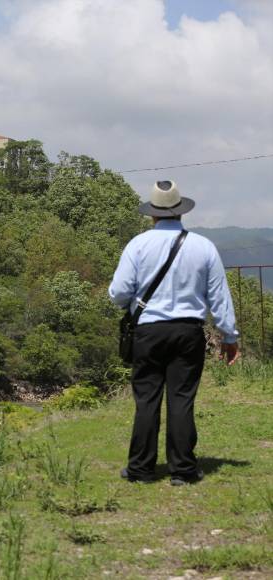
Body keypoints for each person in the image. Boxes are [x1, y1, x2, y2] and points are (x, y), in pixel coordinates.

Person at [108, 180, 240, 486]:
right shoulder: (203, 247)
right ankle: (182, 470)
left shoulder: (138, 245)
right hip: (188, 331)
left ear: (152, 214)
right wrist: (229, 337)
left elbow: (118, 292)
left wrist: (133, 303)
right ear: (181, 212)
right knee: (182, 399)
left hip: (148, 330)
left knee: (147, 399)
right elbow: (219, 297)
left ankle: (141, 469)